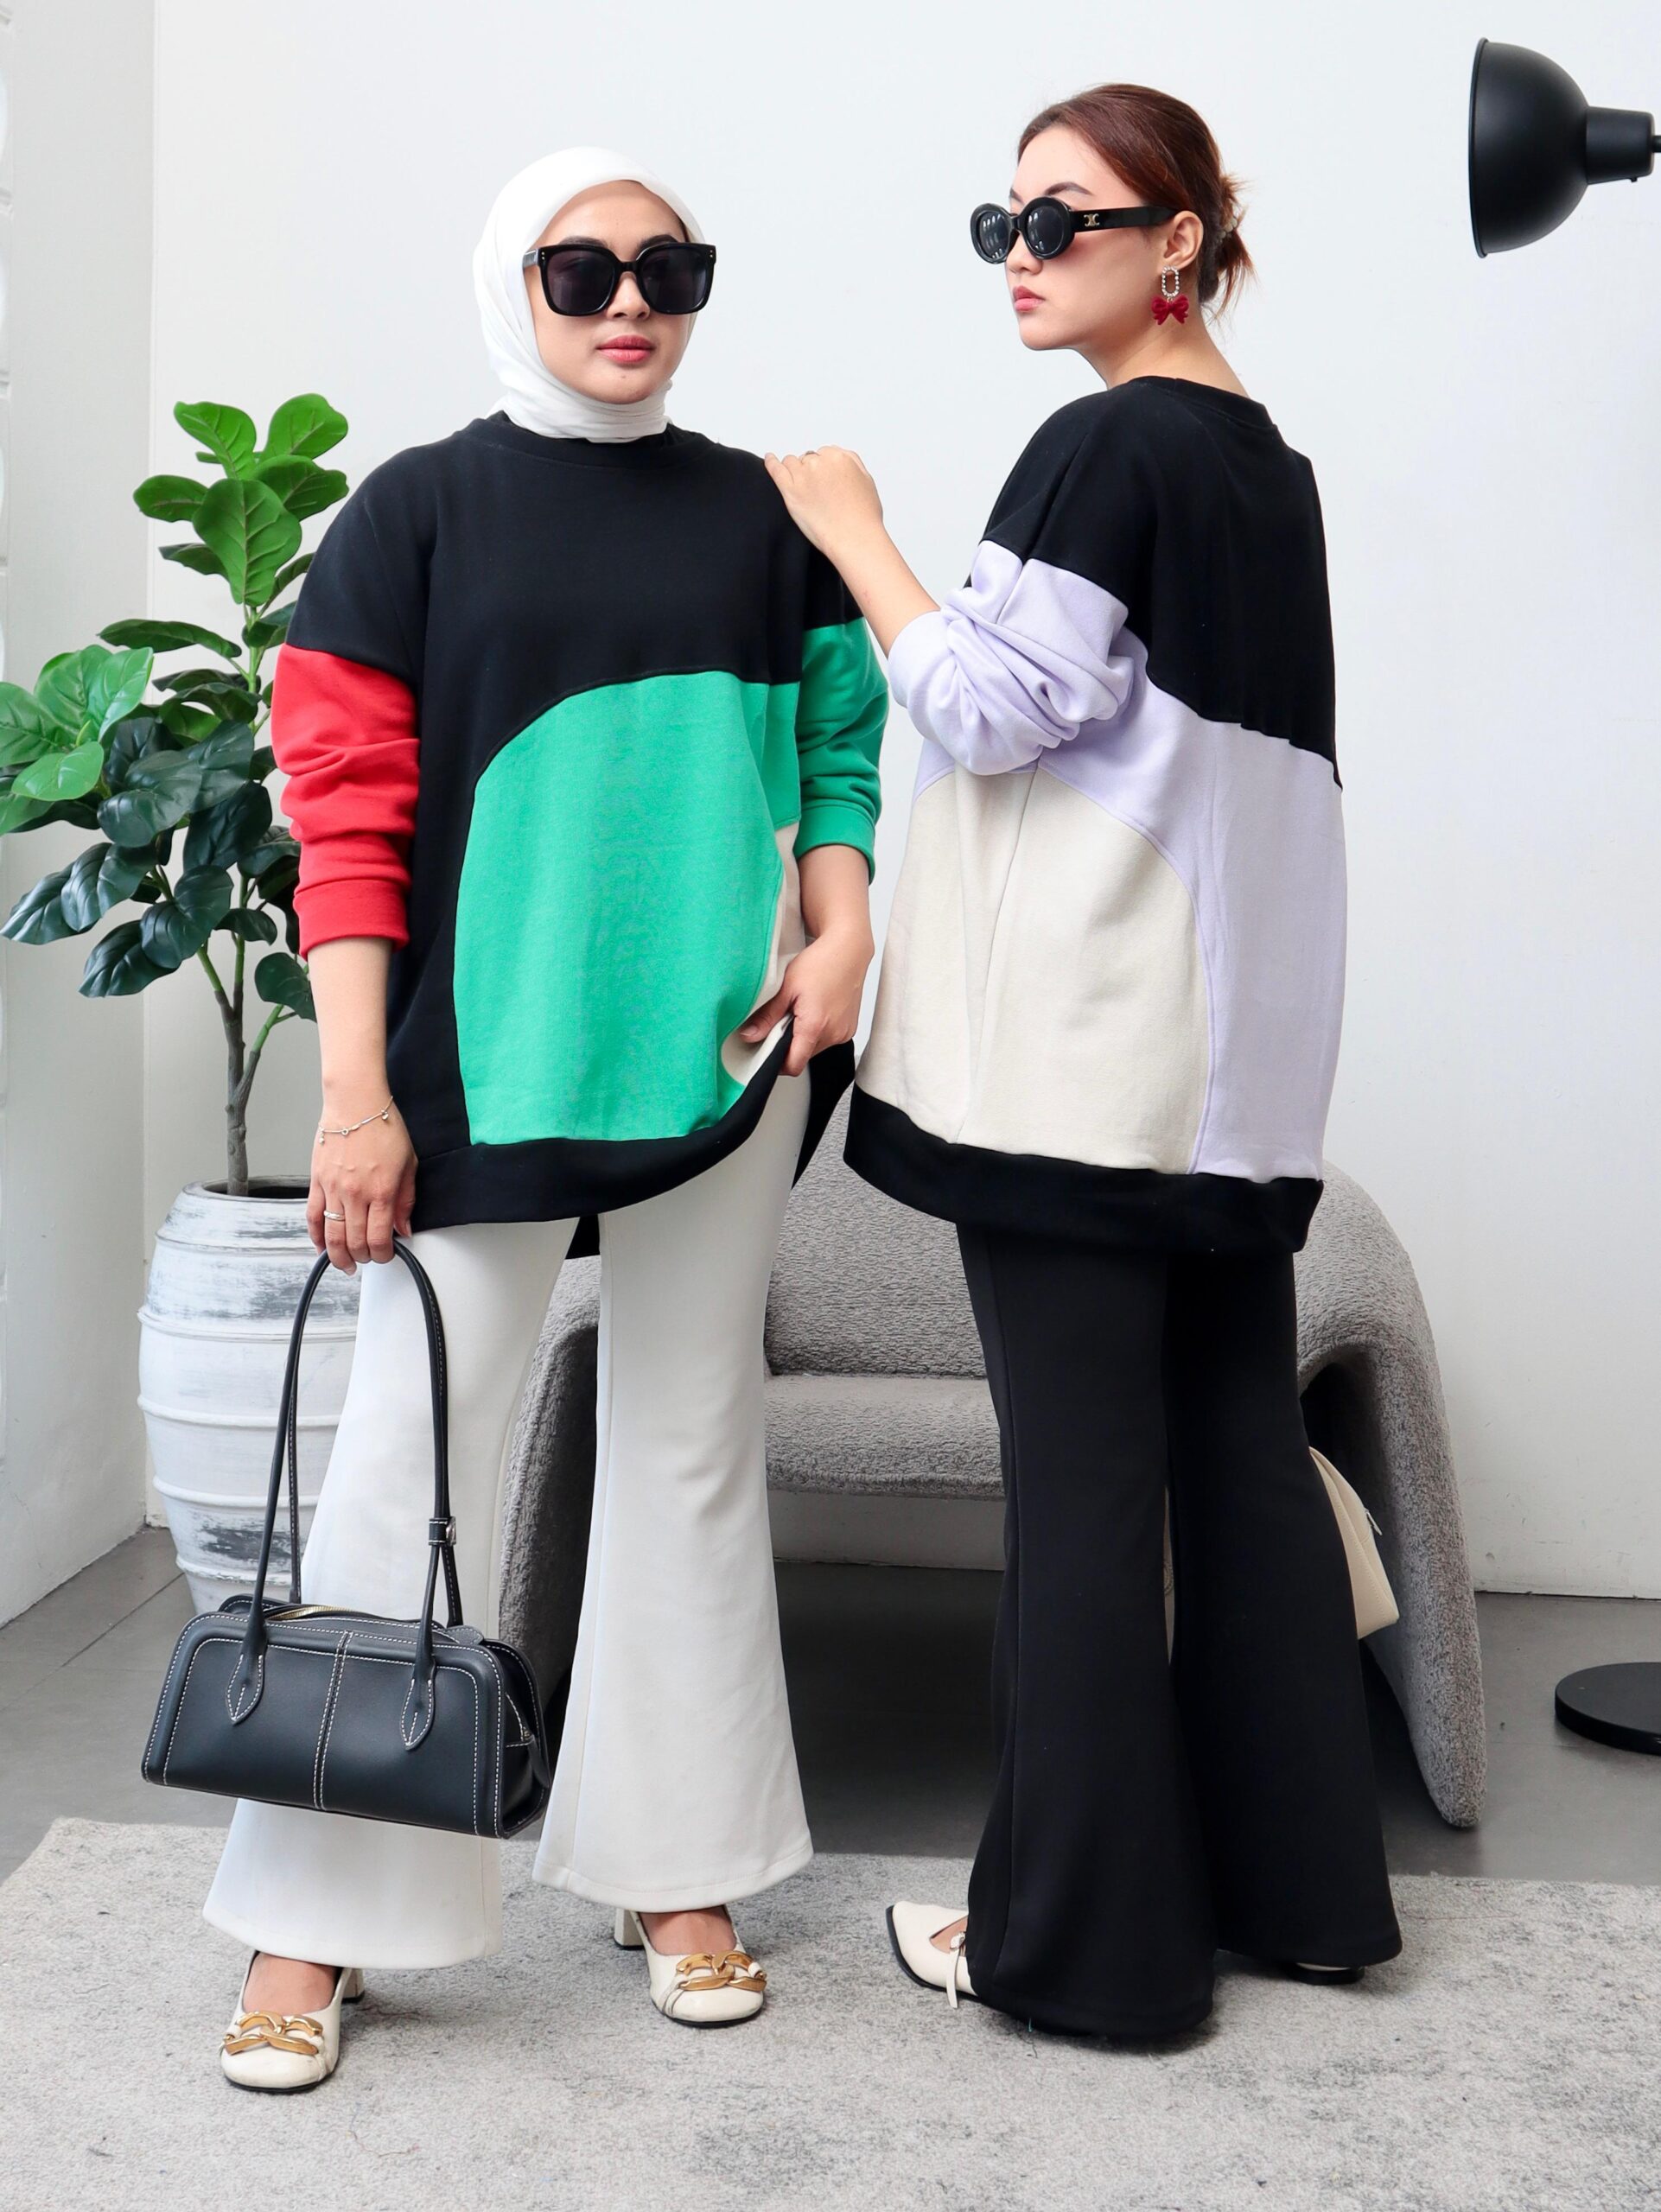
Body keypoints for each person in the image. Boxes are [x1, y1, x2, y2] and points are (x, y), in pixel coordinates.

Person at [205, 146, 887, 2088]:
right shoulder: (415, 510)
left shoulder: (762, 515)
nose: (629, 300)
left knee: (690, 1450)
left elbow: (837, 747)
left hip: (724, 1059)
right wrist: (353, 1094)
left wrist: (844, 923)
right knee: (400, 1466)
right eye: (582, 269)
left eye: (669, 266)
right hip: (470, 1073)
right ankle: (318, 1914)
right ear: (515, 280)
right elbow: (343, 822)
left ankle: (678, 1868)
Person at [767, 82, 1400, 2038]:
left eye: (1065, 222)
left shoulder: (1102, 443)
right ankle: (1302, 1893)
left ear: (1177, 242)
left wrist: (853, 533)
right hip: (1227, 1075)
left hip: (1079, 1068)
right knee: (1237, 1459)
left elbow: (986, 704)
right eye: (1005, 224)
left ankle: (1080, 1947)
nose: (1023, 258)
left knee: (1082, 1498)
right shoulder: (1267, 467)